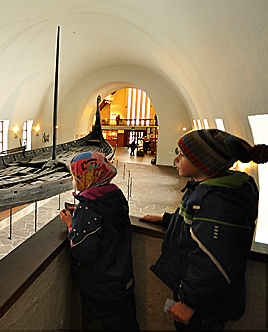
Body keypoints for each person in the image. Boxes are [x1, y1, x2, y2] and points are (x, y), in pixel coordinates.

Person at [140, 129, 268, 330]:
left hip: (204, 306)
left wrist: (190, 302)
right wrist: (167, 220)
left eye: (182, 155)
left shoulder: (218, 202)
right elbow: (198, 225)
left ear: (203, 161)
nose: (176, 160)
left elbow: (215, 259)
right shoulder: (206, 190)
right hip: (200, 299)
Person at [60, 151, 139, 331]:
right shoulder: (115, 196)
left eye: (77, 176)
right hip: (121, 279)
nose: (75, 180)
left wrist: (72, 224)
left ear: (88, 176)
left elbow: (83, 251)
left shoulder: (88, 209)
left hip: (99, 287)